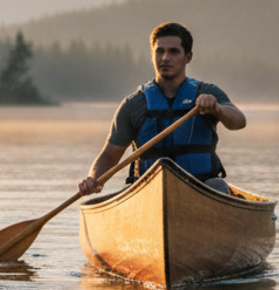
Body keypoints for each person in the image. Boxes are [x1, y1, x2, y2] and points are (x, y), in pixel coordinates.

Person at [78, 22, 245, 197]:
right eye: (159, 51)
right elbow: (109, 156)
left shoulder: (207, 93)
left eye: (173, 52)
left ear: (188, 57)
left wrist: (217, 109)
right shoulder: (134, 104)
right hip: (149, 192)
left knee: (218, 185)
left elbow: (239, 121)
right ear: (152, 55)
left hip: (201, 189)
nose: (165, 58)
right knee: (129, 193)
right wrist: (93, 179)